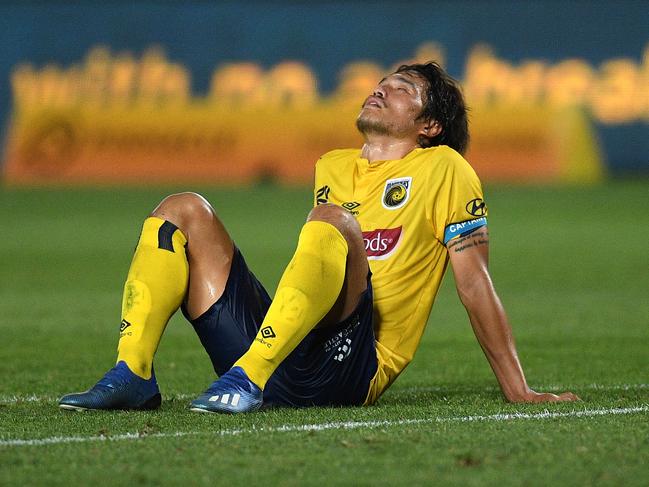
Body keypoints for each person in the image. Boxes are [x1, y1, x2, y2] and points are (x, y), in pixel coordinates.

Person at [59, 62, 579, 413]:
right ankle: (134, 372)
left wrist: (519, 390)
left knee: (332, 221)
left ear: (431, 126)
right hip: (286, 351)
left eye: (403, 89)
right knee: (183, 209)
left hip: (353, 364)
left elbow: (474, 283)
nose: (381, 88)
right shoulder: (331, 165)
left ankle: (247, 379)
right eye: (383, 82)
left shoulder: (446, 170)